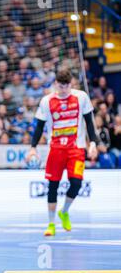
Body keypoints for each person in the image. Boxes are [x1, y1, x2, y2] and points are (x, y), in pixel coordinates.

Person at [26, 69, 99, 237]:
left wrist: (93, 143)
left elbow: (89, 122)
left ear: (71, 84)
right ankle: (51, 224)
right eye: (61, 86)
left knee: (76, 184)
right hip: (56, 149)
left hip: (76, 148)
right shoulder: (47, 101)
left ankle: (64, 211)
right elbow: (39, 126)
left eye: (67, 86)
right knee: (53, 186)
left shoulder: (81, 97)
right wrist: (33, 147)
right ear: (56, 84)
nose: (64, 89)